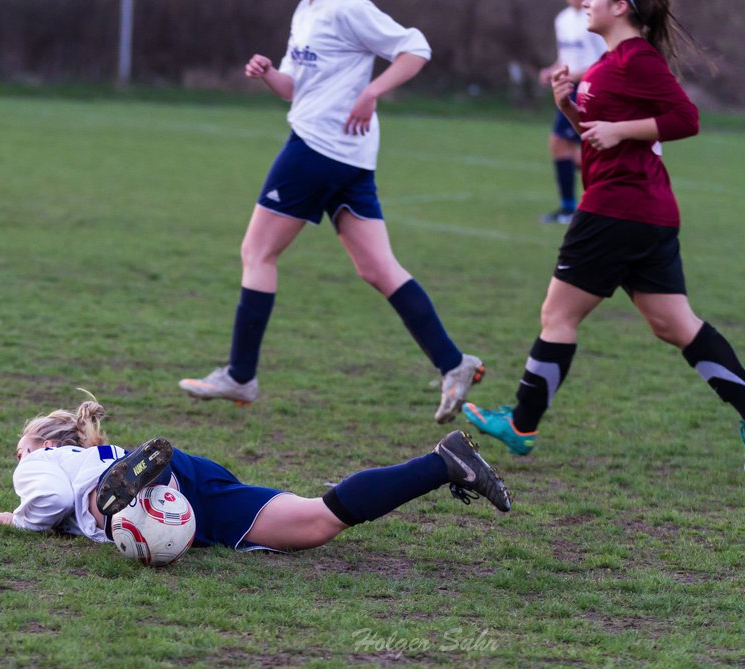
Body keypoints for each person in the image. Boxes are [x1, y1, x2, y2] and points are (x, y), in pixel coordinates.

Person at [464, 0, 745, 463]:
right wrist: (569, 109)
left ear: (620, 7)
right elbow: (600, 134)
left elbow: (686, 118)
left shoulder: (638, 58)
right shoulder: (607, 62)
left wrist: (621, 130)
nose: (587, 3)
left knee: (558, 315)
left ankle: (520, 423)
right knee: (674, 324)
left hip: (616, 208)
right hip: (644, 211)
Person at [178, 0, 484, 425]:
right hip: (349, 156)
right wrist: (268, 74)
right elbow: (293, 87)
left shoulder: (347, 7)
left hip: (317, 148)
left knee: (257, 252)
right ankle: (453, 363)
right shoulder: (307, 10)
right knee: (378, 267)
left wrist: (372, 91)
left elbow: (416, 48)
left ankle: (240, 375)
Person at [0, 394, 511, 554]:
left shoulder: (42, 464)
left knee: (90, 510)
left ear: (43, 442)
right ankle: (442, 463)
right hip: (196, 481)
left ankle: (116, 499)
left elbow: (43, 501)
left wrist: (16, 521)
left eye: (20, 450)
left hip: (131, 481)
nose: (18, 460)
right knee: (316, 524)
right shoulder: (76, 456)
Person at [537, 0, 607, 224]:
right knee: (573, 148)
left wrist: (574, 76)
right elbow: (565, 58)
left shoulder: (596, 16)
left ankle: (575, 208)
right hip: (570, 87)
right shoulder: (563, 19)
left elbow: (606, 59)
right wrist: (553, 70)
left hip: (591, 87)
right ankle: (573, 207)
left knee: (566, 144)